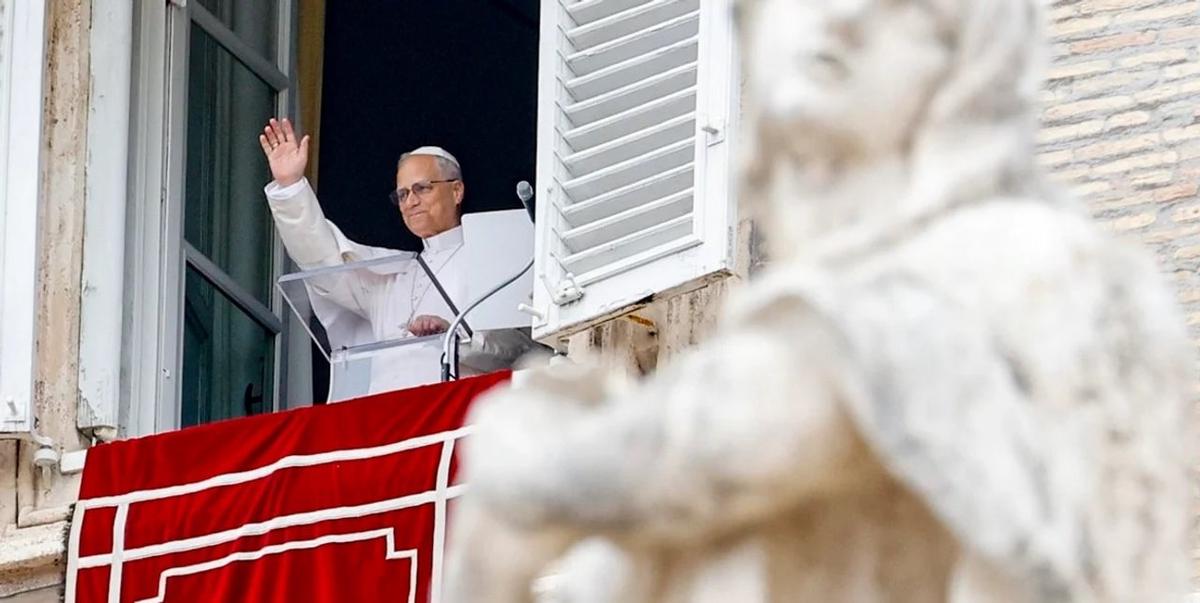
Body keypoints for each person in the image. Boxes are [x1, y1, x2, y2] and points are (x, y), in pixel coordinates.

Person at [259, 117, 535, 395]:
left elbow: (522, 349)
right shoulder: (392, 277)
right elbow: (322, 259)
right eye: (402, 194)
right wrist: (291, 188)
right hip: (388, 420)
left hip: (458, 414)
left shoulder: (491, 257)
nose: (410, 202)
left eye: (422, 188)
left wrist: (455, 334)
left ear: (456, 190)